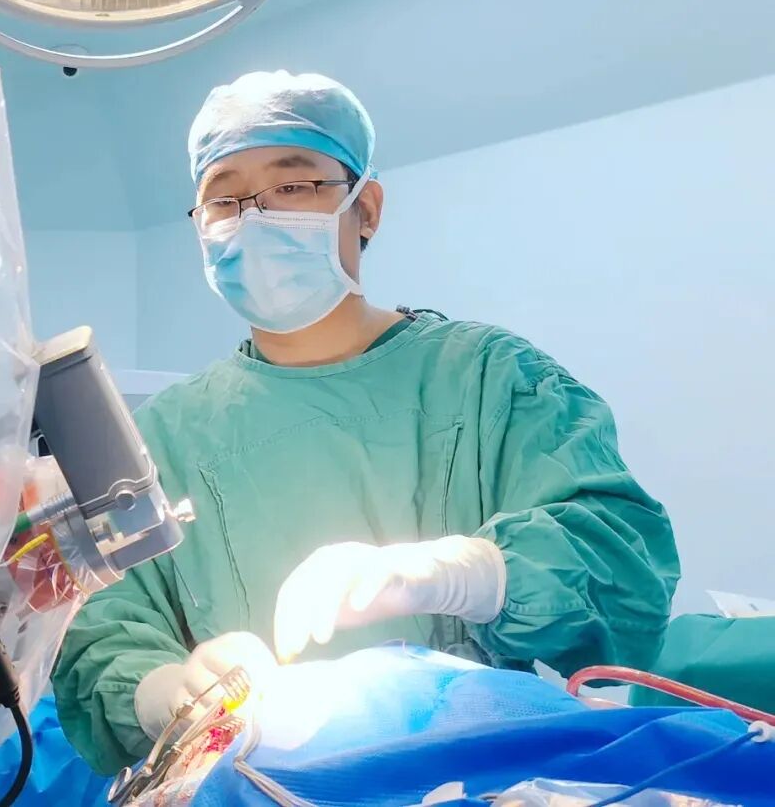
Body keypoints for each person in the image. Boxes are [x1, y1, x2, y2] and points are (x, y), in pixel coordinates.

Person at [51, 70, 680, 775]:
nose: (254, 217)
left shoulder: (488, 379)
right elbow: (100, 631)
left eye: (292, 186)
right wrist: (160, 690)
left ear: (366, 208)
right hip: (255, 782)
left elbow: (622, 568)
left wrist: (469, 573)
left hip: (471, 776)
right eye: (225, 199)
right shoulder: (163, 437)